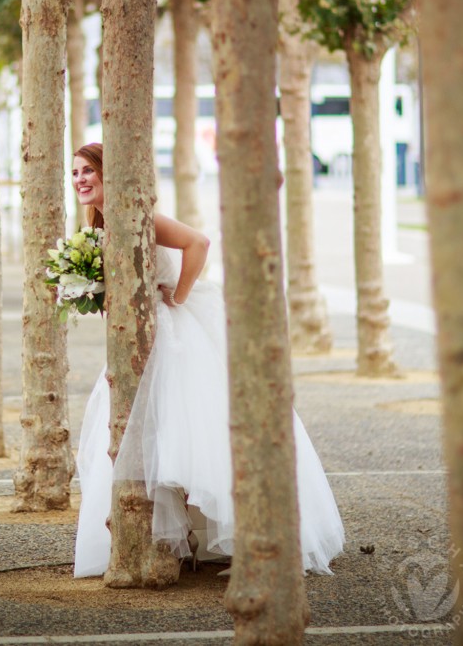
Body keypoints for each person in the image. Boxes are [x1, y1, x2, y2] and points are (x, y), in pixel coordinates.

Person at [70, 142, 344, 578]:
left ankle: (252, 537)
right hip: (137, 338)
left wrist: (177, 295)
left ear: (107, 173)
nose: (81, 179)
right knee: (151, 437)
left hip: (174, 333)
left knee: (195, 433)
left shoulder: (139, 216)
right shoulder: (100, 226)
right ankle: (167, 542)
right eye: (75, 173)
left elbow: (198, 242)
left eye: (88, 171)